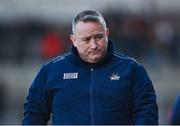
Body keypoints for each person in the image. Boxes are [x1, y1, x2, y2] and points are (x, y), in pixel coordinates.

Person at [22, 9, 158, 125]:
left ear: (107, 34)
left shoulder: (131, 69)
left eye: (98, 37)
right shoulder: (52, 71)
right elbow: (34, 114)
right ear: (74, 40)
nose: (94, 45)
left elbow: (146, 111)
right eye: (86, 39)